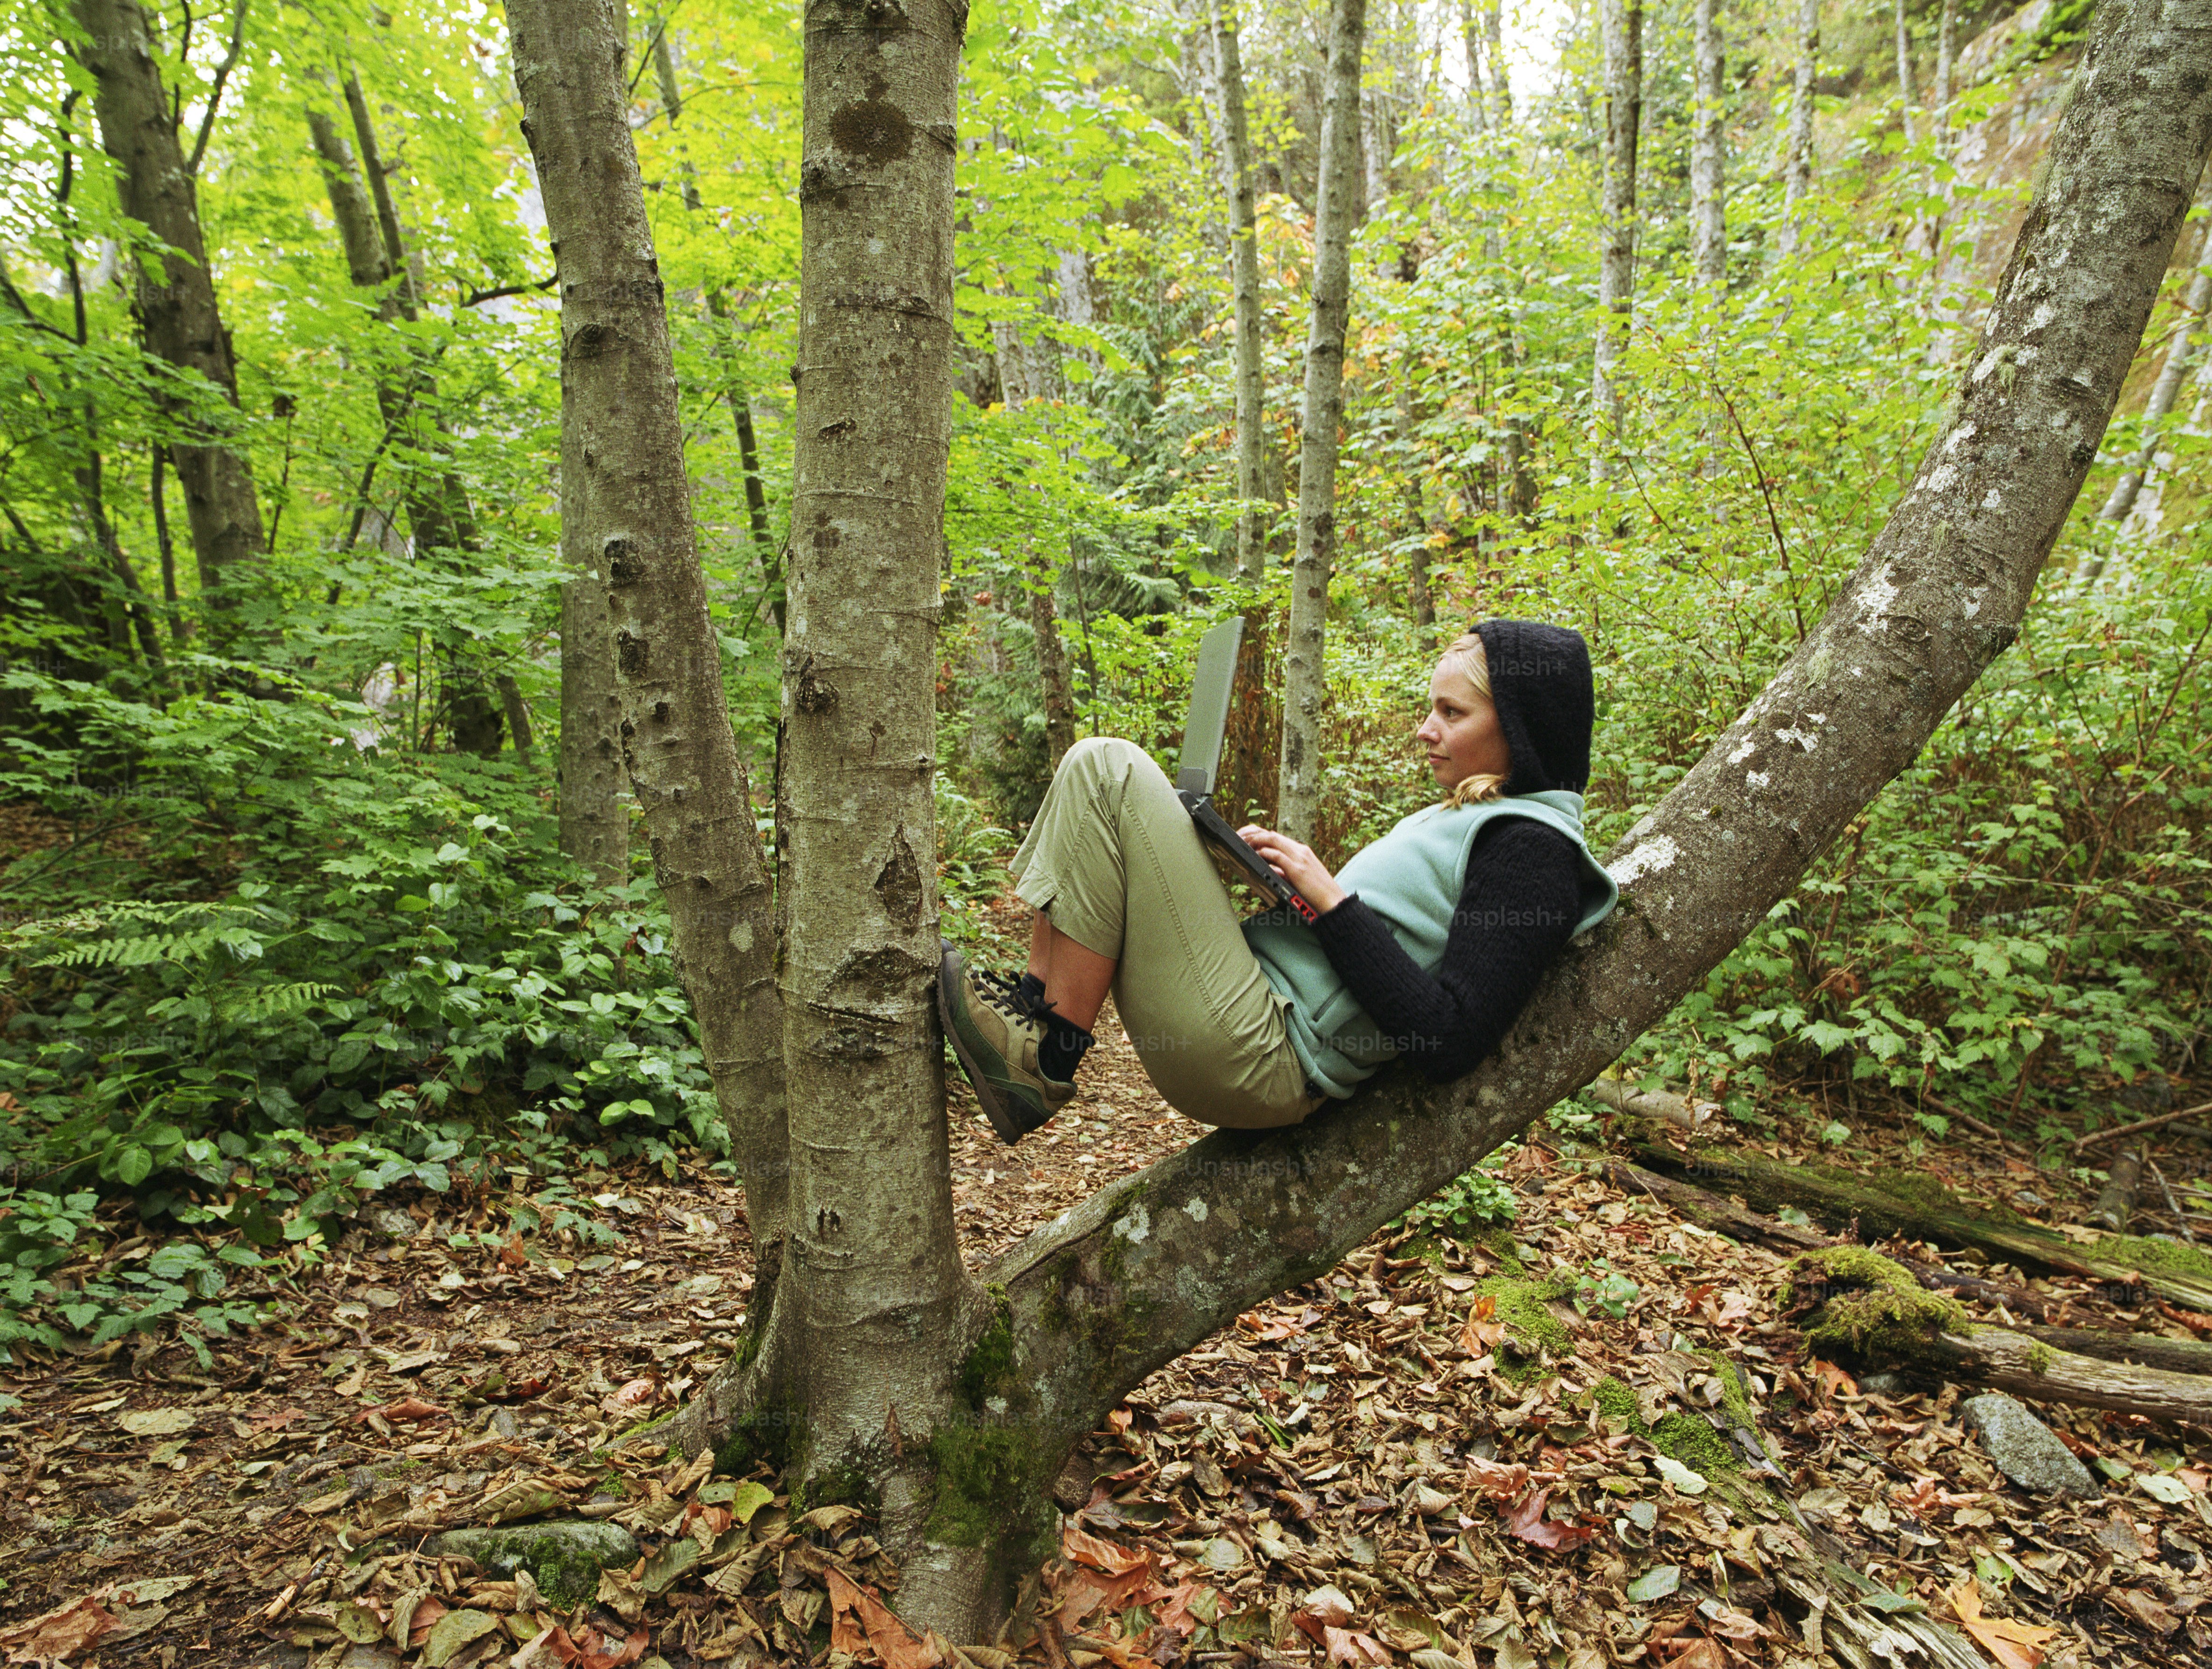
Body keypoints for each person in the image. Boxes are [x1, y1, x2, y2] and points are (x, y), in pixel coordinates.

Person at [938, 619, 1619, 1144]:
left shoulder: (1533, 851)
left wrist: (1328, 900)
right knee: (1102, 777)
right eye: (1431, 710)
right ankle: (1031, 1015)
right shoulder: (1485, 819)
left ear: (1522, 728)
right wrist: (1284, 888)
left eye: (1451, 713)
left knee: (1106, 767)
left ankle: (1045, 1054)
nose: (1424, 731)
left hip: (1266, 1050)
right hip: (1254, 1014)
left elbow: (1448, 1039)